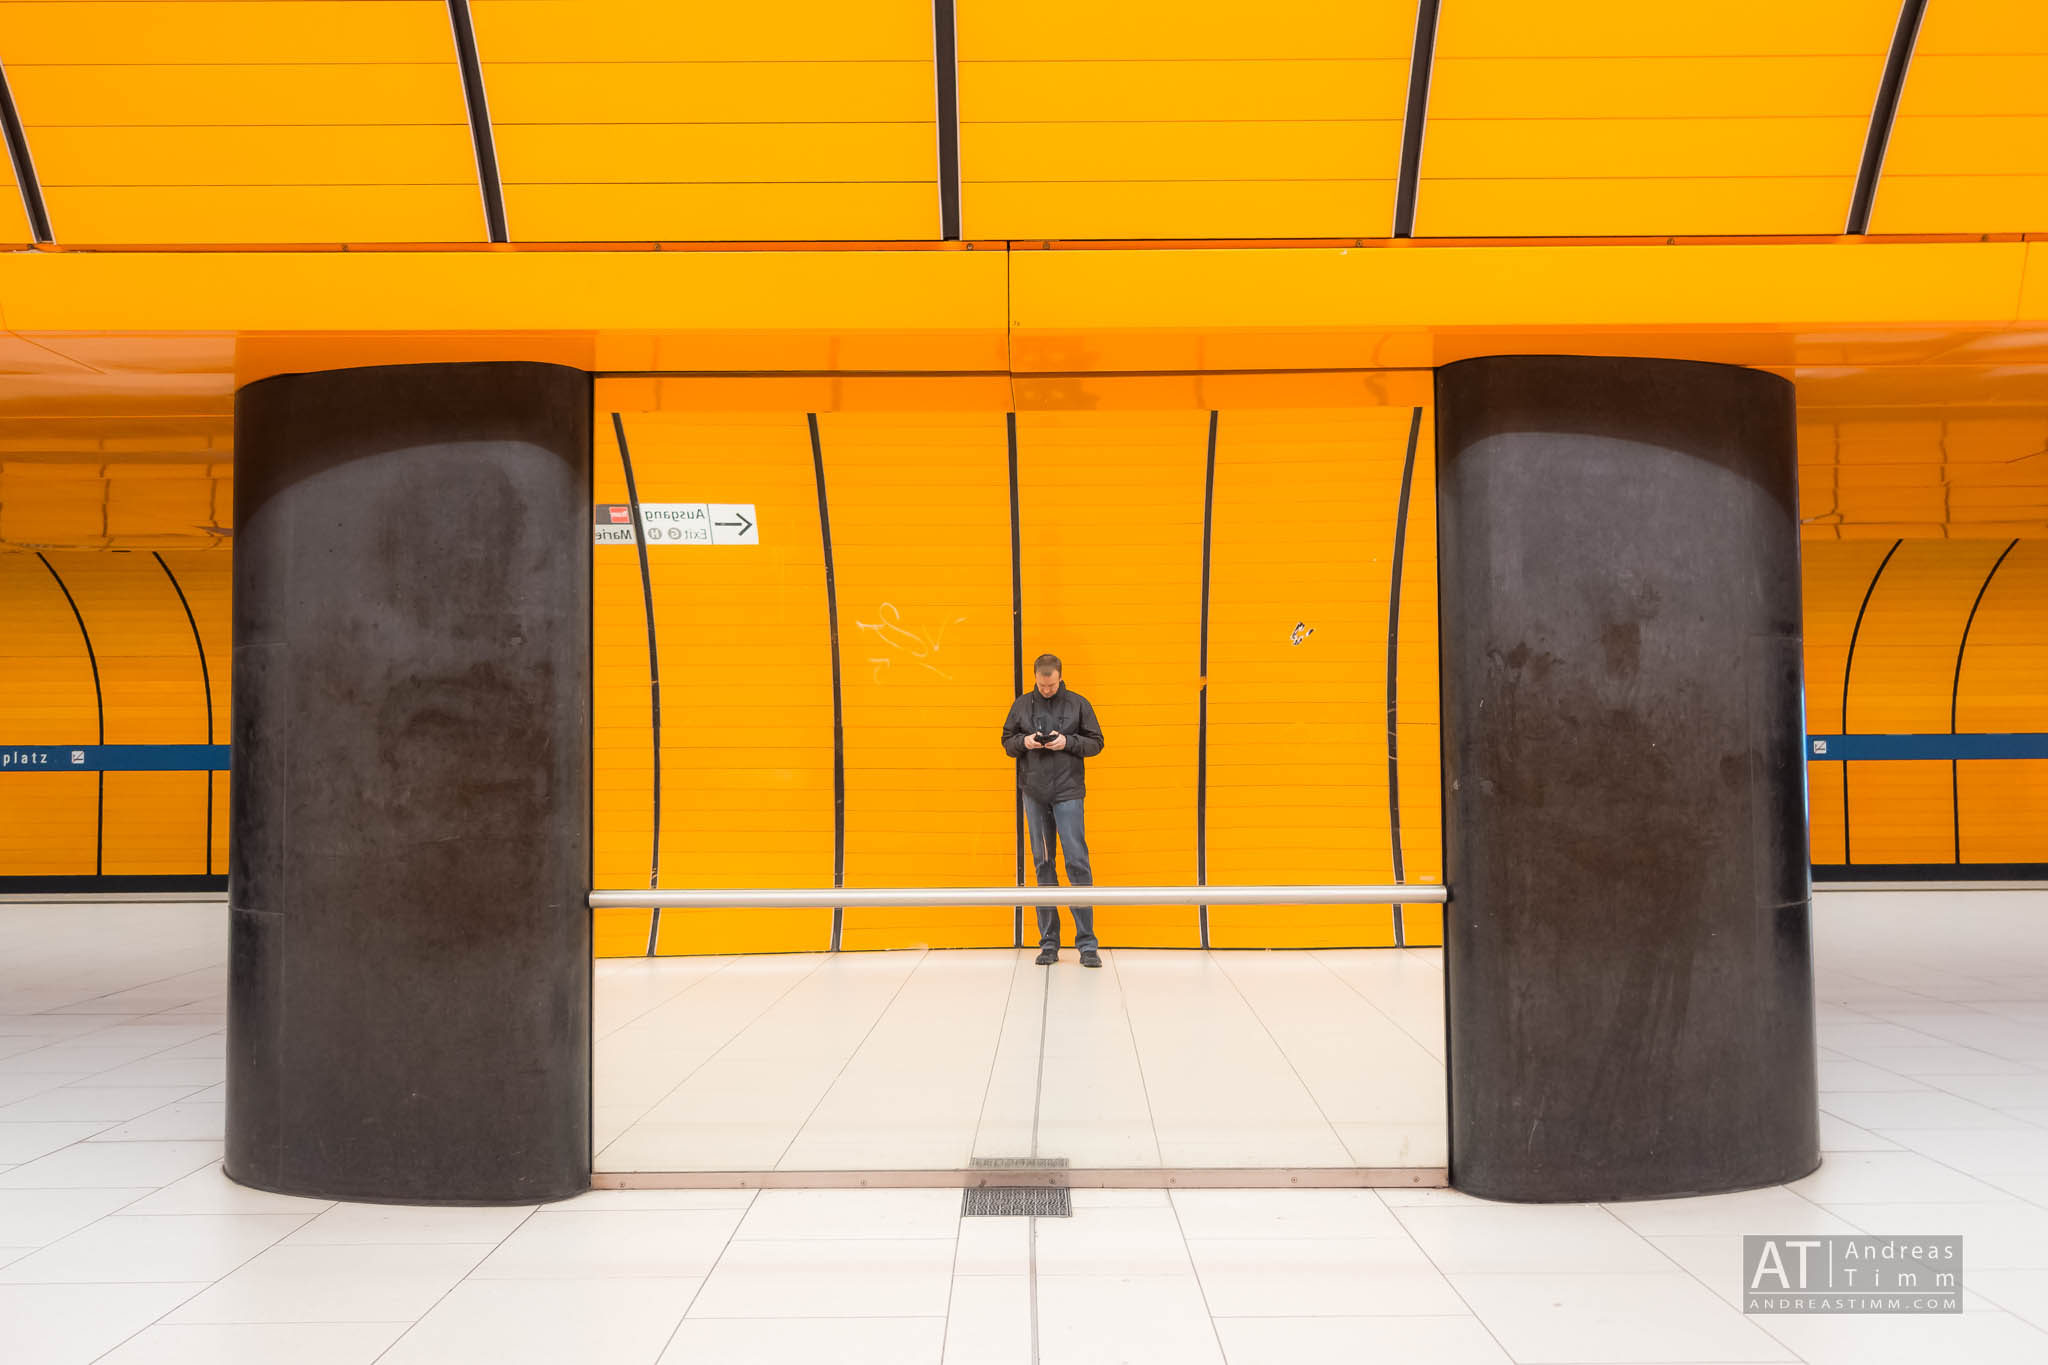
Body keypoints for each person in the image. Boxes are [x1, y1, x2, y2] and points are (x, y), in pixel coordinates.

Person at [1000, 654, 1106, 967]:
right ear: (1036, 678)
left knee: (1077, 862)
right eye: (1042, 685)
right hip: (1034, 794)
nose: (1047, 689)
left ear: (1060, 677)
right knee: (1044, 864)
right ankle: (1048, 944)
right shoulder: (1021, 705)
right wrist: (1026, 742)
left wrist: (1068, 742)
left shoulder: (1078, 704)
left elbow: (1097, 742)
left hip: (1069, 793)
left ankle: (1087, 945)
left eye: (1052, 684)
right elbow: (1007, 742)